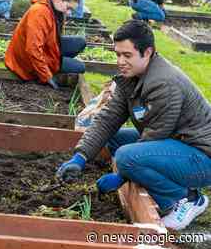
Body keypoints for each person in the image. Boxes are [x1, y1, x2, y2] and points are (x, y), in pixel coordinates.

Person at [56, 20, 211, 231]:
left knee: (127, 156)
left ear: (147, 52)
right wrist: (80, 157)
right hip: (178, 144)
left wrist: (121, 176)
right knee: (114, 138)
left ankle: (186, 199)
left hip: (201, 156)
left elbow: (155, 136)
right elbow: (108, 119)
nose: (120, 61)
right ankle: (172, 185)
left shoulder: (163, 83)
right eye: (117, 54)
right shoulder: (132, 76)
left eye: (127, 55)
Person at [5, 0, 86, 89]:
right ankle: (51, 69)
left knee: (80, 42)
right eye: (68, 8)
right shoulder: (40, 13)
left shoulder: (53, 7)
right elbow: (32, 49)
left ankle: (57, 64)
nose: (68, 12)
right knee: (80, 67)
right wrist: (47, 77)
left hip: (46, 48)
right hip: (25, 62)